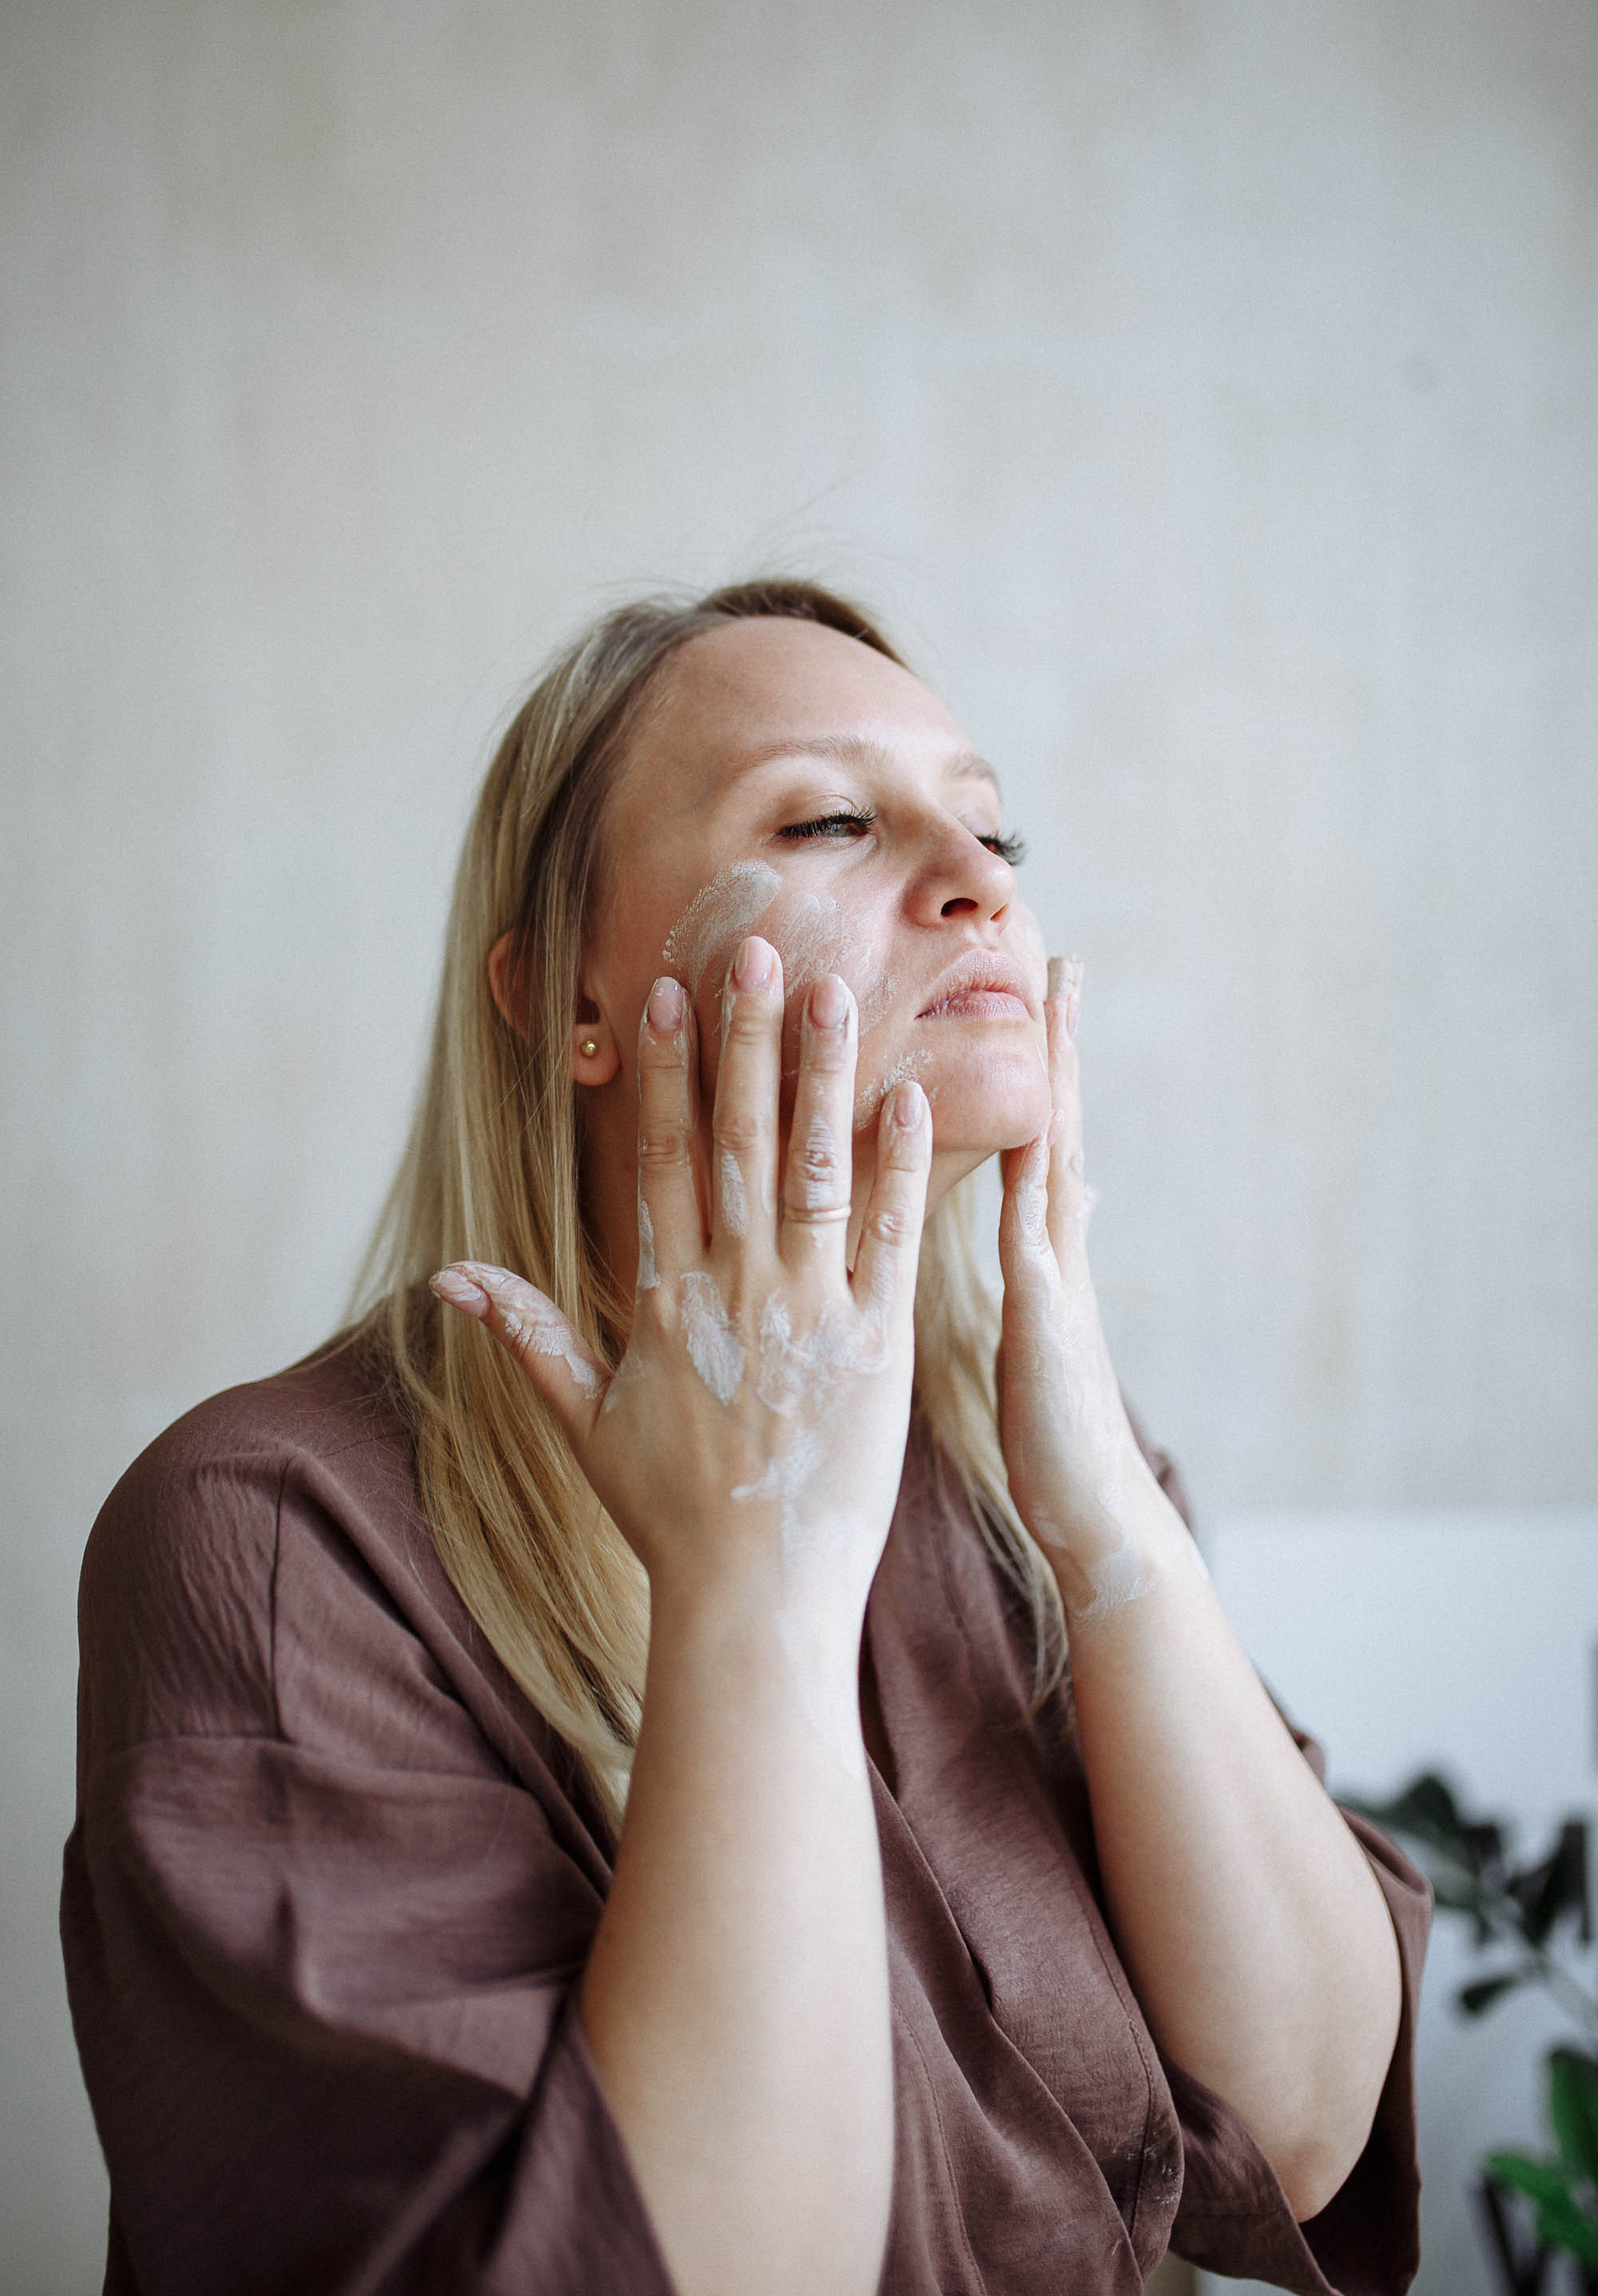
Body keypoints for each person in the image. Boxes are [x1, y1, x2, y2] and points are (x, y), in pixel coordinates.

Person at [62, 579, 1429, 2296]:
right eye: (834, 819)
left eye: (999, 828)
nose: (981, 878)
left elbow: (1304, 2124)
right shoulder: (273, 1536)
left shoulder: (1022, 1477)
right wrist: (755, 1587)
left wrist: (1102, 1520)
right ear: (569, 993)